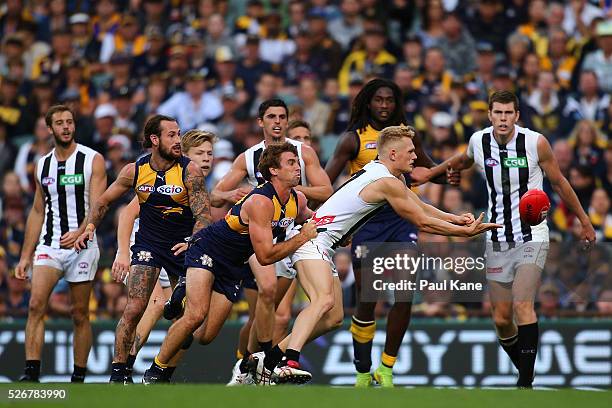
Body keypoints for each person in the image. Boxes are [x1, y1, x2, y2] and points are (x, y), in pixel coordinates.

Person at [250, 125, 499, 385]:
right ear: (393, 154)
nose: (415, 156)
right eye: (411, 151)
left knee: (333, 318)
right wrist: (465, 233)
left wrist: (457, 220)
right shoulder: (385, 182)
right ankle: (289, 362)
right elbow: (421, 222)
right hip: (312, 240)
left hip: (323, 244)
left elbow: (421, 206)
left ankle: (265, 359)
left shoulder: (390, 177)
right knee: (322, 301)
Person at [418, 90, 596, 388]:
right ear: (490, 115)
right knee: (501, 319)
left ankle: (524, 383)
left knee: (522, 305)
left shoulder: (535, 142)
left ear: (517, 116)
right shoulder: (479, 141)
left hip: (532, 234)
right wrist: (432, 174)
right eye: (497, 113)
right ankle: (526, 368)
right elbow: (462, 160)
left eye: (508, 113)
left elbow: (560, 182)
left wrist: (585, 221)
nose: (502, 119)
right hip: (496, 236)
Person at [142, 142, 317, 384]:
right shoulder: (261, 201)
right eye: (291, 163)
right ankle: (156, 371)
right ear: (273, 170)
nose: (298, 167)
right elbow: (265, 256)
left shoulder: (297, 199)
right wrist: (303, 237)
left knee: (205, 336)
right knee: (195, 315)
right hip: (208, 250)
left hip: (233, 266)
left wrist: (339, 229)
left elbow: (315, 220)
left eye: (297, 162)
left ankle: (181, 296)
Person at [324, 78, 457, 387]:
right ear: (368, 102)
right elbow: (327, 183)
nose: (384, 105)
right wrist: (331, 222)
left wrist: (443, 174)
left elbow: (423, 170)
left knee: (404, 295)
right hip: (367, 220)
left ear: (397, 104)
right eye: (378, 100)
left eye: (389, 100)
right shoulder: (352, 140)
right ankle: (361, 372)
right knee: (368, 300)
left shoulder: (406, 136)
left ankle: (386, 370)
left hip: (402, 217)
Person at [74, 114, 212, 383]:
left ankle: (161, 368)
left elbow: (203, 215)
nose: (177, 140)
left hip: (181, 247)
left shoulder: (189, 170)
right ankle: (119, 373)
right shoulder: (135, 170)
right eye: (171, 135)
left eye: (178, 134)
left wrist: (191, 242)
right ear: (154, 139)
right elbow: (103, 202)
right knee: (134, 308)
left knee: (190, 318)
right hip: (148, 245)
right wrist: (89, 227)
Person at [204, 99, 332, 385]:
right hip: (258, 239)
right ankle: (254, 362)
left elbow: (326, 190)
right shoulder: (247, 158)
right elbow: (215, 195)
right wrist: (233, 195)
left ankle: (250, 364)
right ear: (260, 122)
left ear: (287, 121)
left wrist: (288, 186)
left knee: (279, 315)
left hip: (294, 232)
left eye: (282, 117)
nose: (277, 121)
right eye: (271, 117)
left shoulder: (302, 152)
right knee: (268, 291)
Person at [111, 129, 216, 382]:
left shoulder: (202, 185)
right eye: (199, 153)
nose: (206, 159)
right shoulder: (172, 175)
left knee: (189, 321)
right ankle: (126, 366)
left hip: (176, 251)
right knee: (155, 304)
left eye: (210, 154)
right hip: (145, 244)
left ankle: (162, 373)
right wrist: (122, 252)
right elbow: (127, 213)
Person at [15, 105, 107, 383]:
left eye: (69, 122)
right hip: (50, 243)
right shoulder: (42, 164)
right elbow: (37, 210)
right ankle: (31, 373)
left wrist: (80, 232)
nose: (66, 127)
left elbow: (99, 205)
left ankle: (78, 377)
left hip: (83, 245)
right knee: (35, 305)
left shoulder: (92, 159)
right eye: (60, 123)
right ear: (50, 128)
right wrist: (24, 256)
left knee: (79, 312)